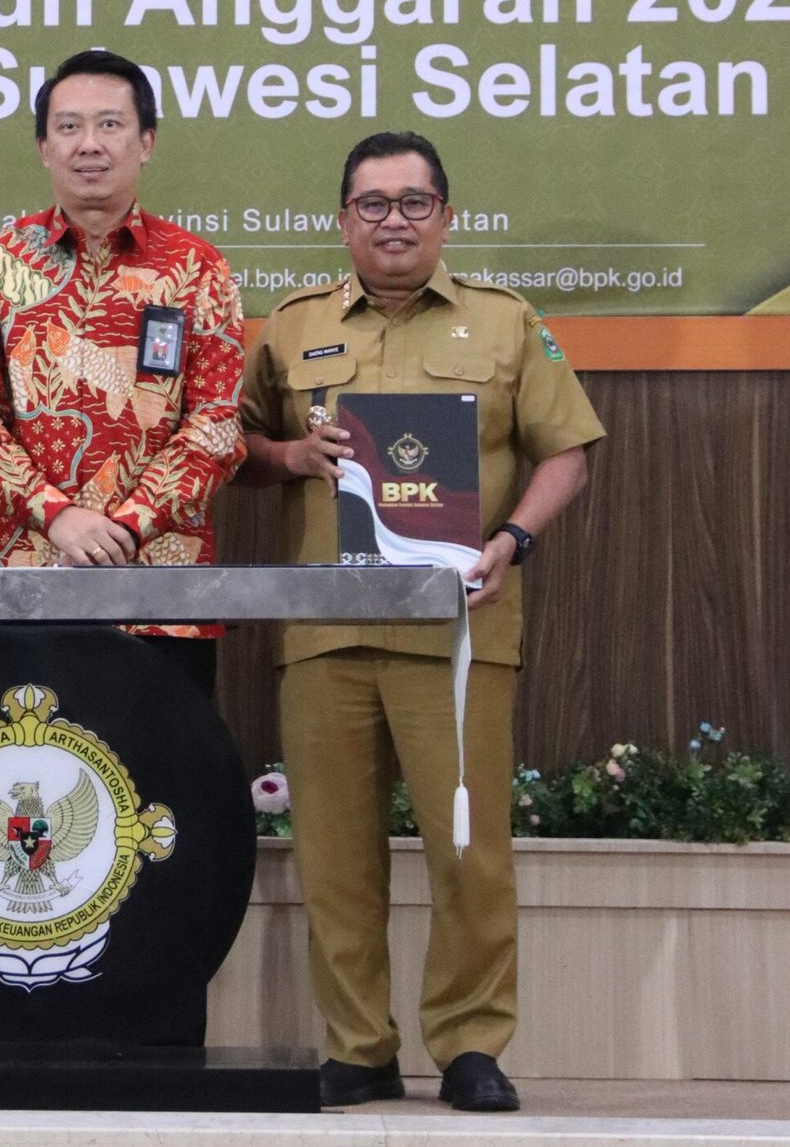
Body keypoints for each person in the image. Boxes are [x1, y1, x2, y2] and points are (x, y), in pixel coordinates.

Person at [238, 131, 601, 1114]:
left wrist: (514, 539)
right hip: (326, 631)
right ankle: (358, 1047)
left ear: (445, 216)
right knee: (333, 859)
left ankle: (470, 1046)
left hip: (459, 633)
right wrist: (291, 457)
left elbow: (567, 451)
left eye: (412, 203)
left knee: (468, 851)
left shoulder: (506, 322)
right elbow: (233, 447)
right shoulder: (291, 327)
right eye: (372, 204)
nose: (392, 222)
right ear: (342, 220)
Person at [0, 47, 244, 699]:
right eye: (69, 127)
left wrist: (129, 524)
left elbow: (215, 427)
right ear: (44, 147)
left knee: (163, 765)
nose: (89, 145)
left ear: (146, 142)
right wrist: (57, 517)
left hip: (162, 593)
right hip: (23, 587)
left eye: (110, 125)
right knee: (27, 762)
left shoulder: (198, 268)